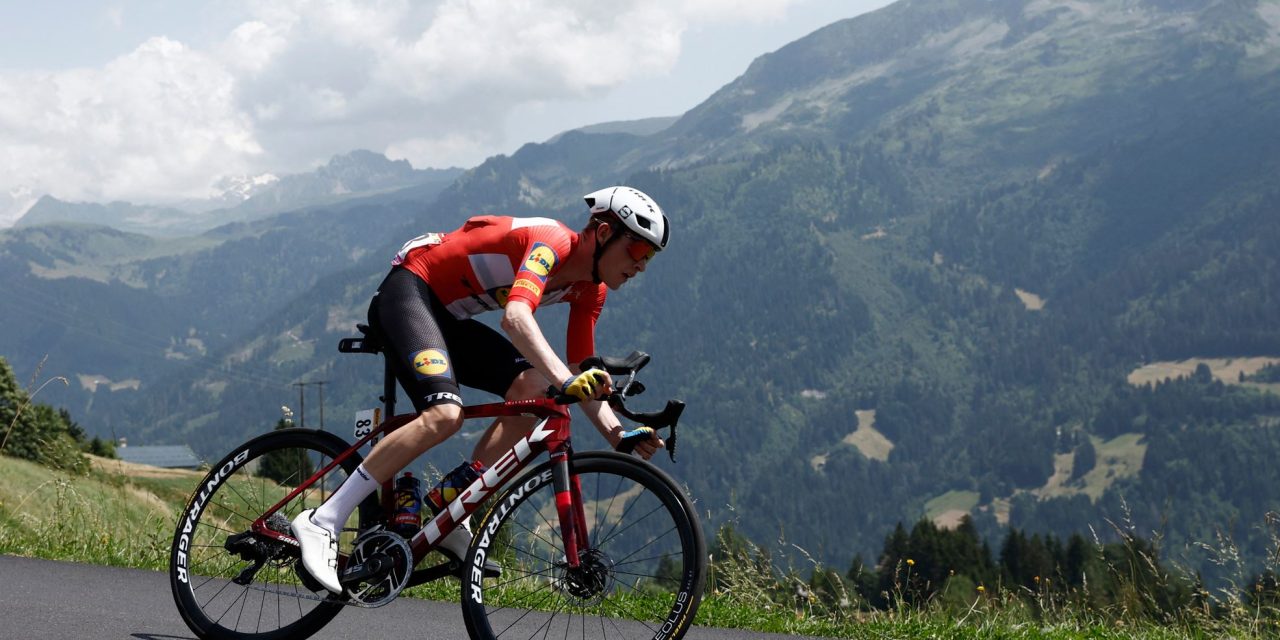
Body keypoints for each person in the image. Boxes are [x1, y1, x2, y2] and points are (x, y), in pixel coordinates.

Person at [291, 186, 670, 593]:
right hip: (410, 289)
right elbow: (516, 317)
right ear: (603, 232)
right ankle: (322, 521)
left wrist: (617, 434)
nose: (641, 266)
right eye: (636, 251)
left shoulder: (589, 291)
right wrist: (566, 381)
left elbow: (580, 371)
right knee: (445, 415)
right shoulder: (552, 242)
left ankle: (452, 513)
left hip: (448, 317)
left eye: (649, 257)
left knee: (535, 392)